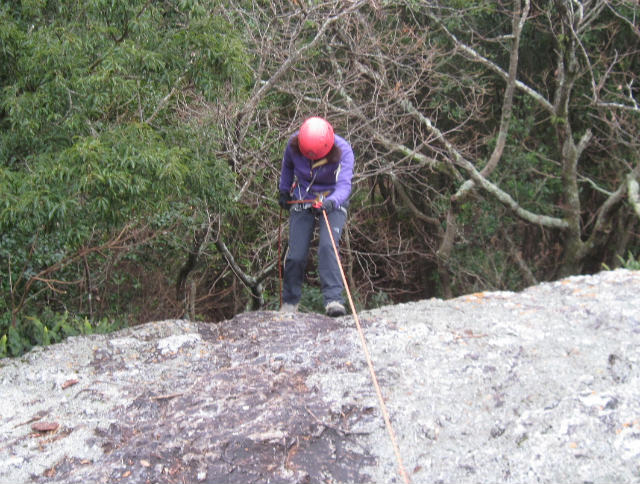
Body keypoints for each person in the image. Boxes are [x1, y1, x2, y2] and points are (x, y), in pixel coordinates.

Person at [278, 116, 354, 317]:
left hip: (332, 199)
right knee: (295, 253)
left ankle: (334, 300)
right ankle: (289, 302)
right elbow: (287, 167)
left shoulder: (344, 150)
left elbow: (345, 185)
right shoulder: (294, 144)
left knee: (328, 247)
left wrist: (330, 202)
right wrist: (284, 190)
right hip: (303, 197)